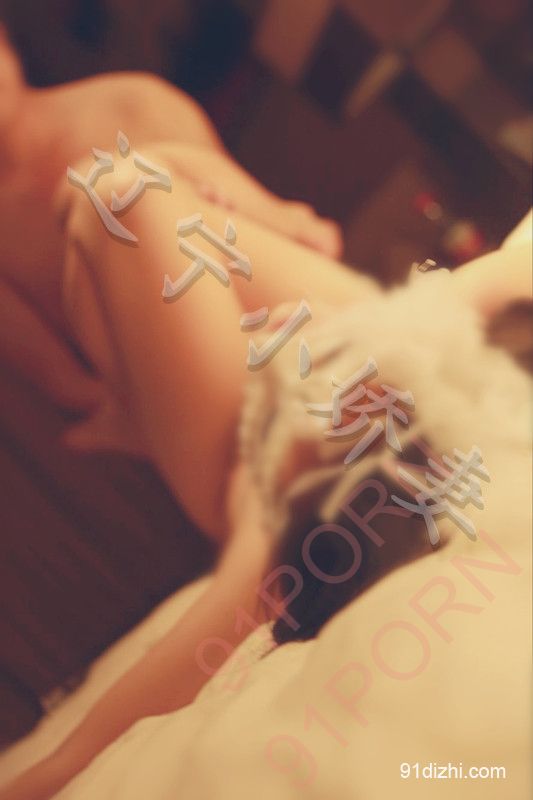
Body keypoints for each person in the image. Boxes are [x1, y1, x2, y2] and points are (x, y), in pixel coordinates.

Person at [0, 24, 530, 800]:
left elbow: (296, 228)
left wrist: (62, 763)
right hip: (268, 351)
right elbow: (79, 394)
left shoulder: (126, 111)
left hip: (258, 355)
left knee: (117, 193)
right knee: (120, 192)